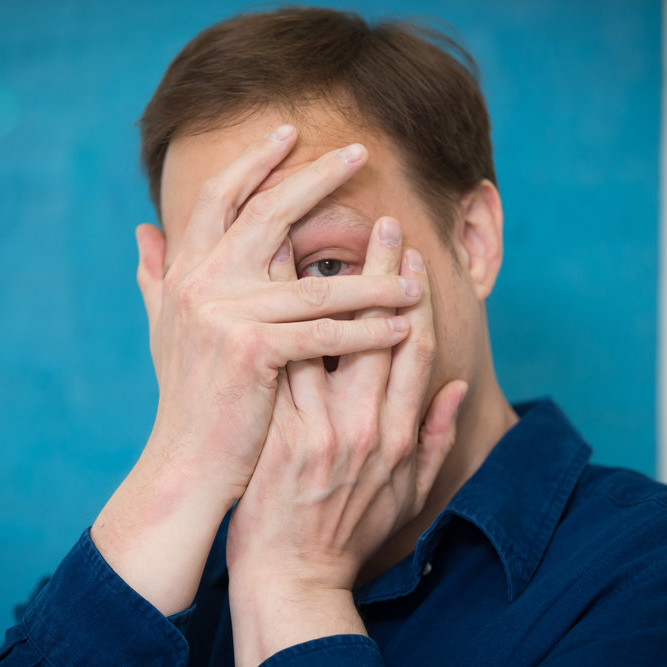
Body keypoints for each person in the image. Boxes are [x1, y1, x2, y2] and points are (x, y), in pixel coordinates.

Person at [2, 6, 666, 666]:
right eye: (219, 288)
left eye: (325, 265)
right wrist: (178, 469)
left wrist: (292, 583)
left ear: (473, 242)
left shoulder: (640, 573)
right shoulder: (144, 572)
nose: (255, 342)